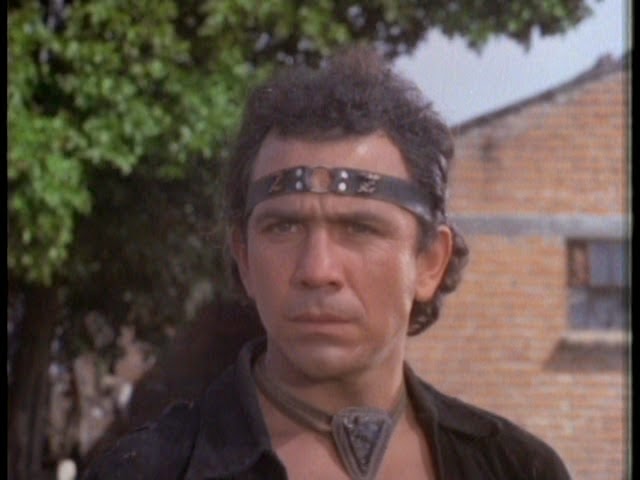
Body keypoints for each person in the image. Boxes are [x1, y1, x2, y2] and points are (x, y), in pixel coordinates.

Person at [82, 45, 572, 480]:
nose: (317, 270)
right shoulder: (149, 471)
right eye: (284, 227)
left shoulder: (516, 468)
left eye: (360, 229)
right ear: (244, 257)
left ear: (429, 262)